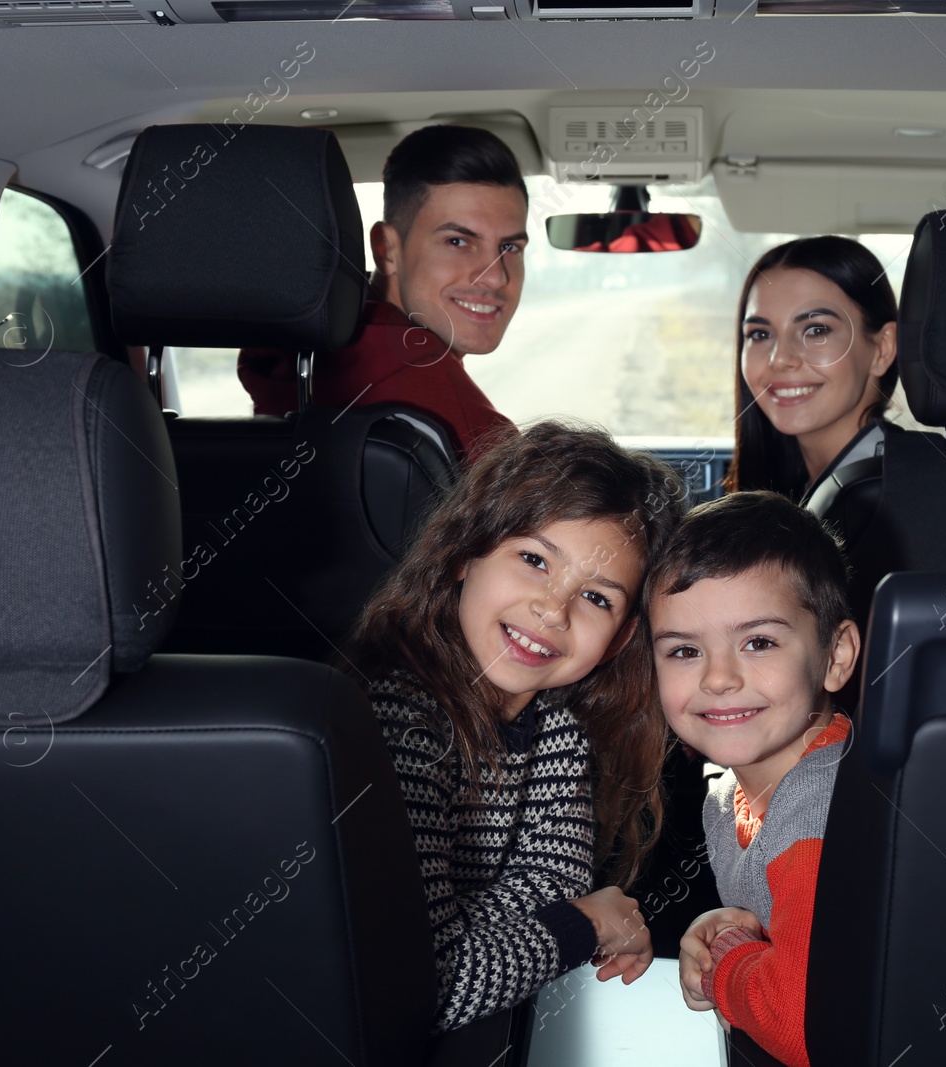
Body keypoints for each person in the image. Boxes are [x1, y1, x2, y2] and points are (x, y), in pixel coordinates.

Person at [344, 422, 685, 1034]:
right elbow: (429, 987)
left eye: (597, 598)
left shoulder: (557, 724)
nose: (552, 610)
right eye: (533, 561)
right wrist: (587, 924)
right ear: (463, 555)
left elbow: (553, 883)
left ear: (620, 641)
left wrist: (516, 932)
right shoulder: (399, 722)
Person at [648, 492, 861, 1067]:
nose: (718, 678)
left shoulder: (820, 812)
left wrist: (729, 957)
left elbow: (800, 1024)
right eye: (685, 650)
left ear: (836, 654)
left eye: (759, 642)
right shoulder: (726, 794)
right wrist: (735, 931)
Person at [238, 124, 525, 462]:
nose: (494, 277)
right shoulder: (469, 432)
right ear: (386, 249)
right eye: (457, 241)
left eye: (509, 246)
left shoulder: (295, 358)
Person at [726, 236, 900, 501]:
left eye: (817, 330)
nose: (780, 358)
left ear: (883, 348)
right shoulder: (792, 489)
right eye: (760, 334)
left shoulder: (910, 498)